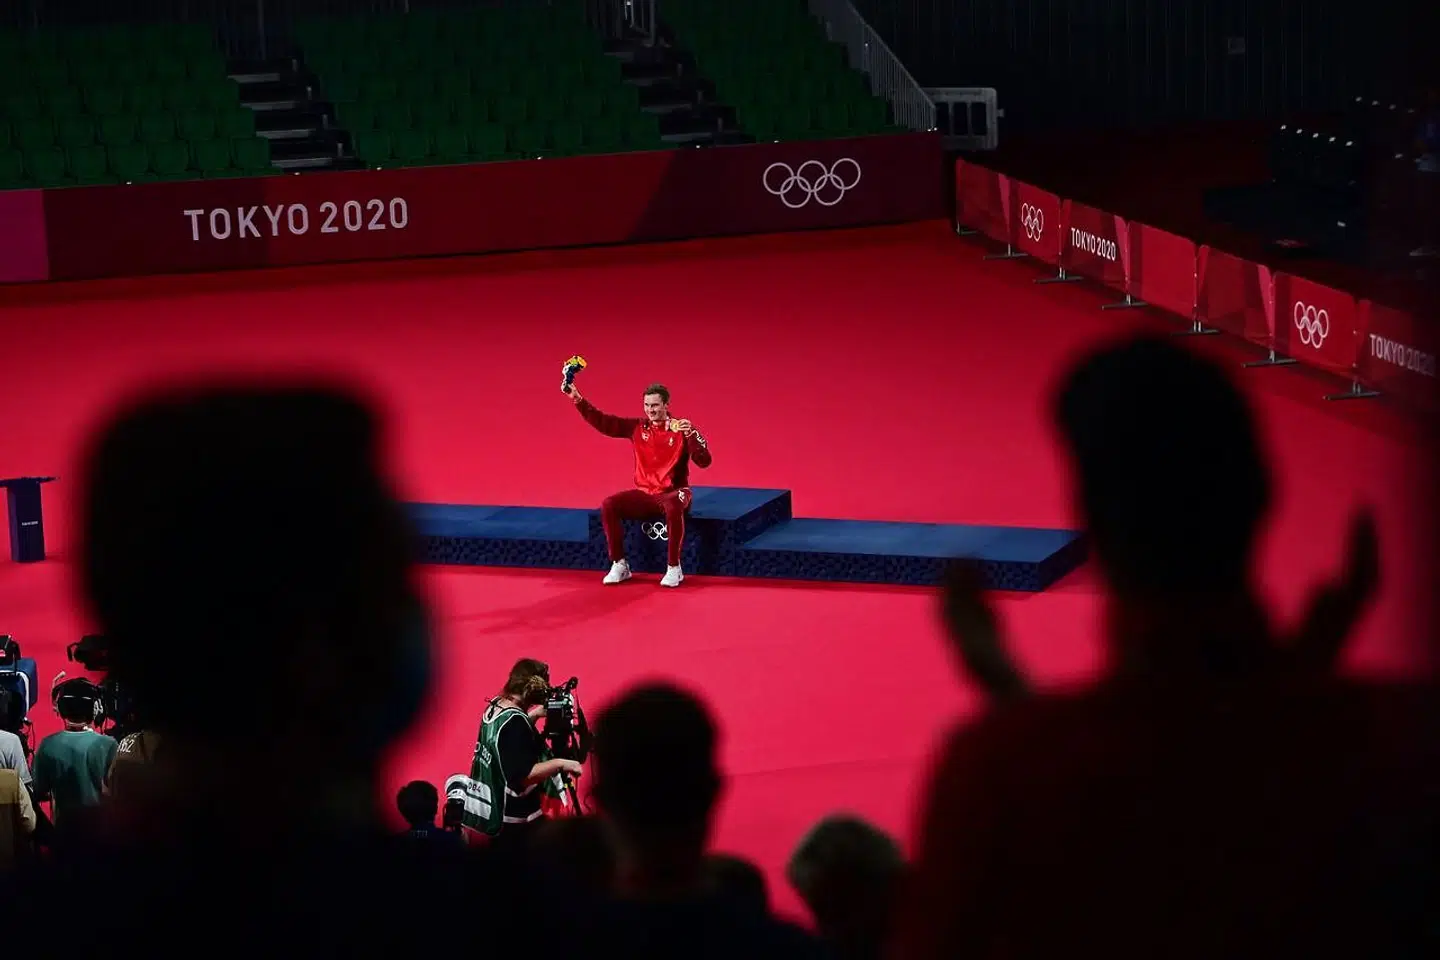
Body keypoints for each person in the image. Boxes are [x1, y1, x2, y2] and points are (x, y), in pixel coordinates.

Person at [893, 336, 1437, 960]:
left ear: (1091, 520)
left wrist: (1004, 691)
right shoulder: (1400, 743)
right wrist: (1308, 663)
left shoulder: (1000, 776)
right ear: (1263, 494)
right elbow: (1241, 758)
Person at [567, 381, 712, 588]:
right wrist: (577, 399)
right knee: (609, 504)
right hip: (646, 494)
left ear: (666, 405)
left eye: (655, 405)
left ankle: (674, 568)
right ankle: (620, 564)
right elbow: (603, 422)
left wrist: (692, 435)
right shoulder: (637, 428)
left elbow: (704, 461)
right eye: (647, 405)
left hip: (676, 493)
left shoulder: (681, 429)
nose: (650, 410)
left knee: (672, 506)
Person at [465, 658, 582, 859]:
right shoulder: (515, 723)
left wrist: (534, 714)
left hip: (491, 802)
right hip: (515, 819)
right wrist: (563, 763)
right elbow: (523, 776)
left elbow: (507, 743)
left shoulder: (495, 707)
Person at [30, 681, 117, 834]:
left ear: (62, 709)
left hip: (65, 832)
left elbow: (38, 791)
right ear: (95, 709)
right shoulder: (109, 744)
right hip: (103, 832)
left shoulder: (47, 745)